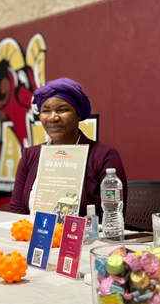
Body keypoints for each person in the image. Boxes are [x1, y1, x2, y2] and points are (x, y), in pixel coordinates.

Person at [10, 78, 128, 218]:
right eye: (46, 111)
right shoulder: (31, 155)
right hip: (35, 237)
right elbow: (17, 211)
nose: (53, 118)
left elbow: (112, 217)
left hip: (86, 239)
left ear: (78, 114)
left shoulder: (104, 156)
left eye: (62, 110)